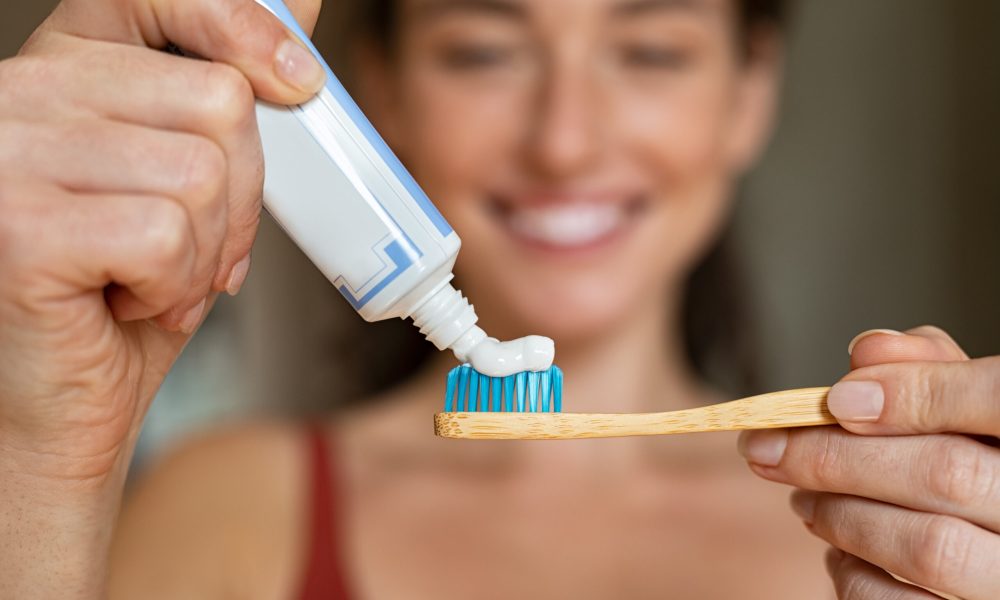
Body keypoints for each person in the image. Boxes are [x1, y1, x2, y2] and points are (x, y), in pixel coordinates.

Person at [0, 0, 997, 598]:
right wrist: (44, 452)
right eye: (482, 51)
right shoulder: (226, 503)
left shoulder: (890, 532)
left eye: (651, 51)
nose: (564, 140)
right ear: (375, 91)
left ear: (748, 91)